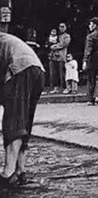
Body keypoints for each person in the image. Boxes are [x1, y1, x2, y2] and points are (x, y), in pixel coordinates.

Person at [0, 32, 45, 187]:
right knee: (24, 121)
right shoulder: (6, 39)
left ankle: (8, 172)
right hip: (38, 70)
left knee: (14, 120)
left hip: (19, 70)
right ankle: (20, 170)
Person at [83, 17, 98, 106]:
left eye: (91, 24)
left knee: (91, 79)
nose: (89, 26)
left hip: (92, 59)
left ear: (95, 25)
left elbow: (88, 49)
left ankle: (90, 99)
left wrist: (85, 60)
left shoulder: (90, 36)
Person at [49, 23, 71, 93]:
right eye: (60, 27)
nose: (61, 28)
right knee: (54, 73)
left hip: (62, 56)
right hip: (54, 56)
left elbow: (65, 44)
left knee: (62, 73)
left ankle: (64, 87)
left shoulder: (67, 36)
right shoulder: (56, 36)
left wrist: (55, 46)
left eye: (63, 26)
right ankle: (55, 88)